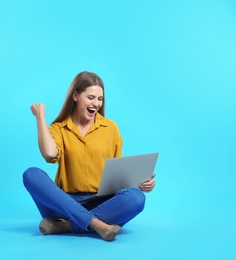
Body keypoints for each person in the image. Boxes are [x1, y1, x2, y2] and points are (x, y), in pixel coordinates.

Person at [23, 71, 156, 241]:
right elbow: (49, 154)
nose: (96, 103)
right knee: (31, 174)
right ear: (76, 96)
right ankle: (98, 225)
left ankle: (64, 226)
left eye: (100, 99)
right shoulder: (58, 128)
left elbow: (120, 176)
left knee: (136, 198)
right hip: (64, 204)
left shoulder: (111, 128)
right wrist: (40, 117)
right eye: (91, 97)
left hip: (100, 203)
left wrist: (142, 182)